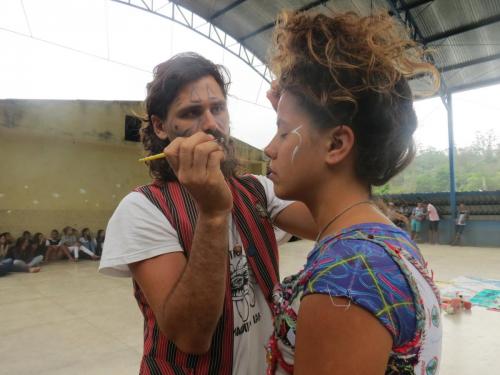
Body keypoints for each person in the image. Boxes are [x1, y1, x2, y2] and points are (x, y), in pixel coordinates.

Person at [99, 52, 316, 374]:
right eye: (191, 113)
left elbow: (329, 222)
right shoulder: (143, 209)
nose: (212, 125)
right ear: (160, 127)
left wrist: (301, 125)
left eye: (218, 108)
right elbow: (190, 335)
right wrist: (214, 214)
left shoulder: (257, 188)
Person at [263, 10, 441, 374]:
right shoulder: (382, 238)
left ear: (337, 144)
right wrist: (294, 112)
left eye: (282, 132)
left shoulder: (345, 280)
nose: (269, 148)